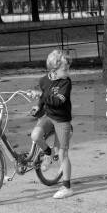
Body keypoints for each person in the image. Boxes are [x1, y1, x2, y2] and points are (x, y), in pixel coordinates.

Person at [30, 48, 73, 199]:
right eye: (64, 69)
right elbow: (43, 99)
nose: (67, 71)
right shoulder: (44, 80)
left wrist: (42, 95)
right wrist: (38, 106)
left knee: (63, 154)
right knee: (35, 136)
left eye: (68, 68)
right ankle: (48, 153)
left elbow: (57, 101)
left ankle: (67, 187)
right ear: (53, 70)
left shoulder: (65, 83)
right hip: (49, 116)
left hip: (62, 120)